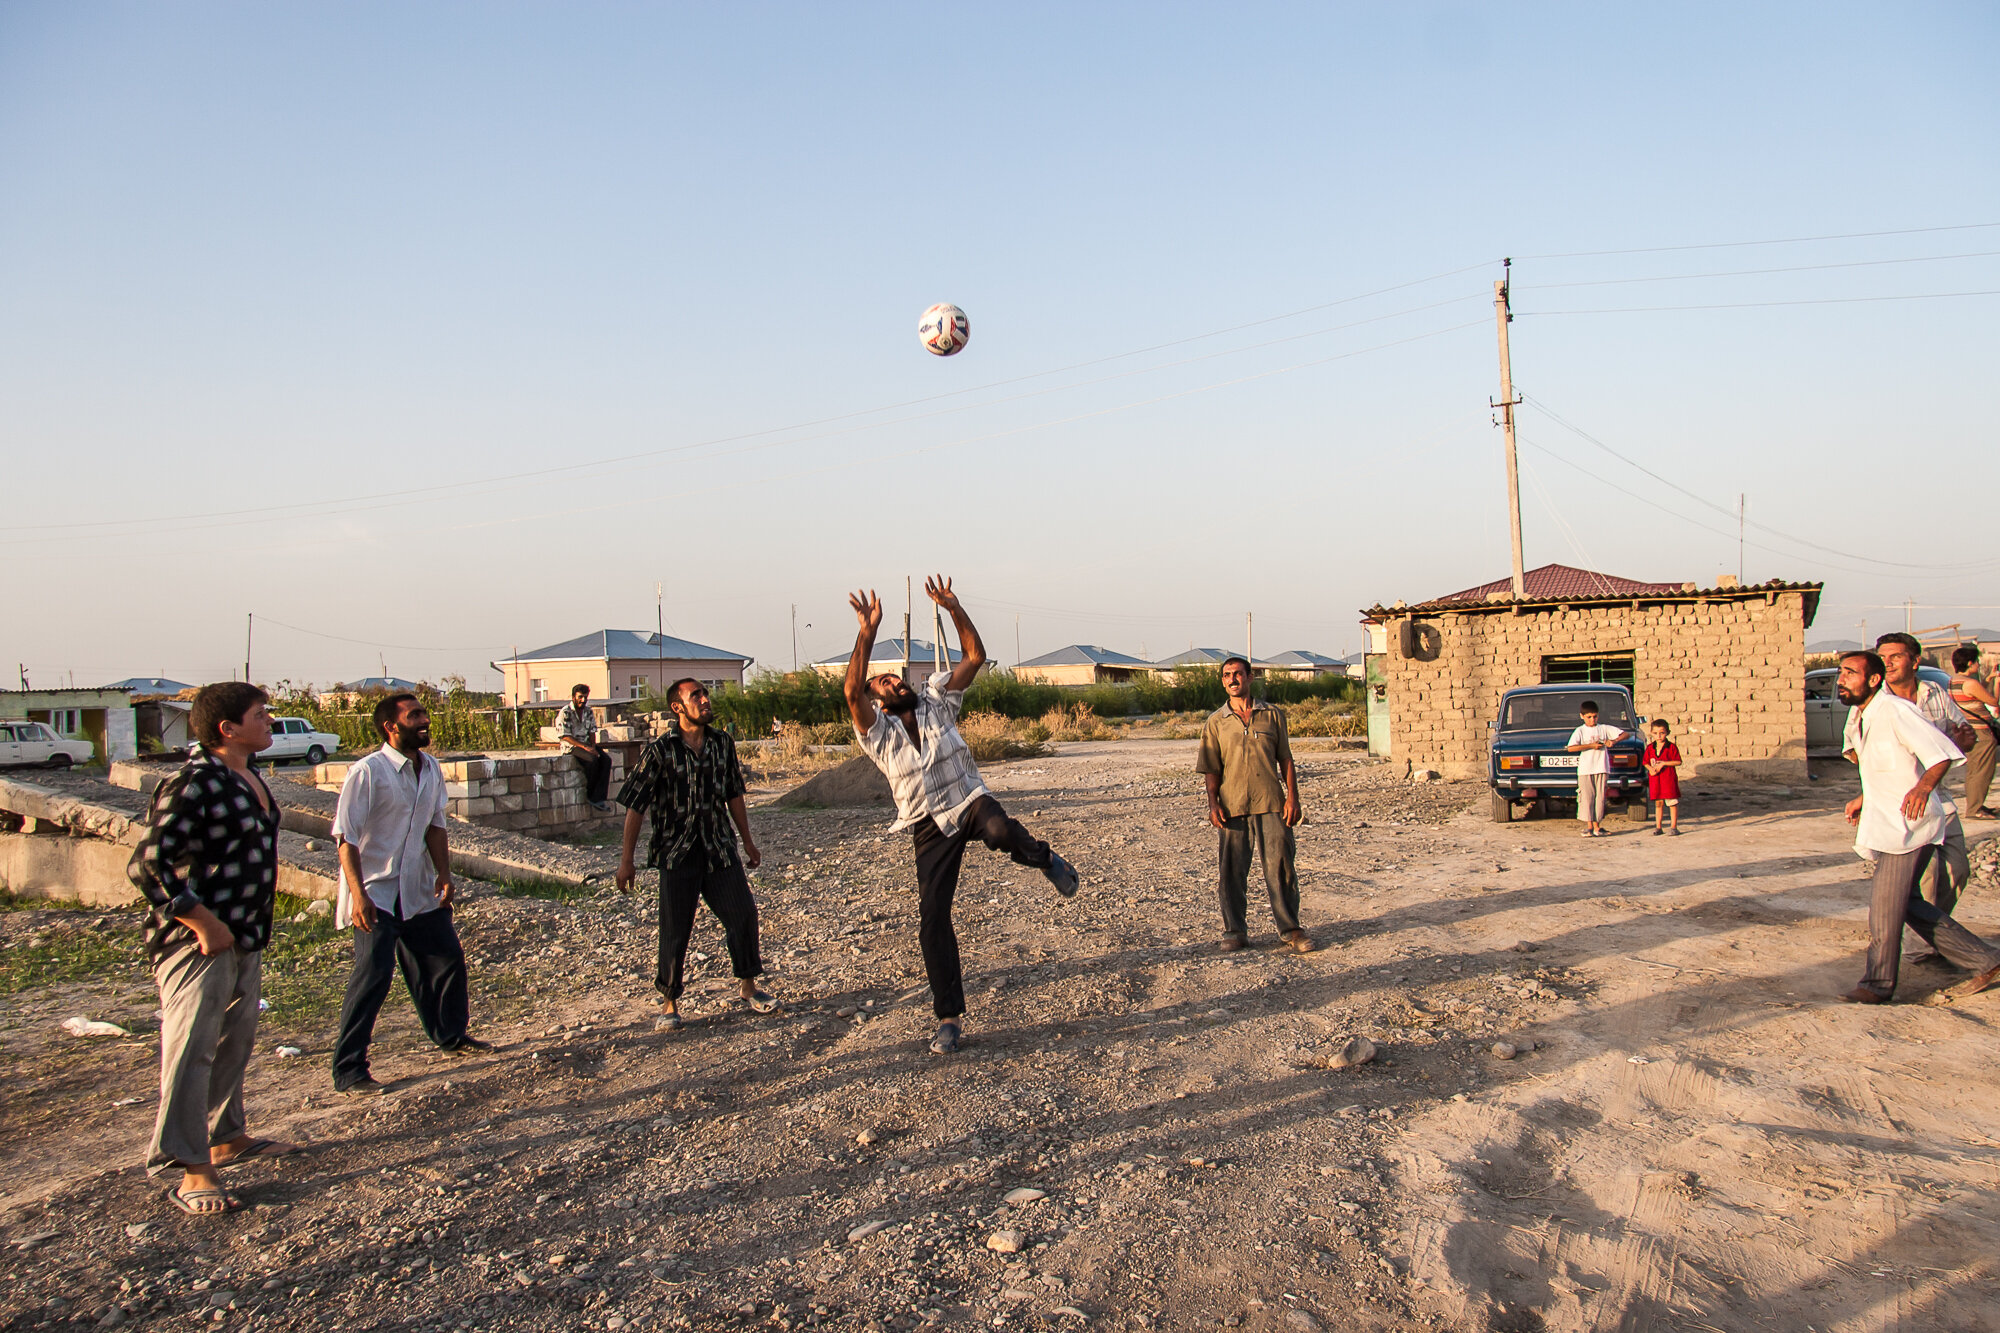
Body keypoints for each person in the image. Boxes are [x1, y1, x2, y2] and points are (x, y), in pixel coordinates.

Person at [844, 576, 1079, 1055]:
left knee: (997, 829)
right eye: (884, 683)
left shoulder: (935, 698)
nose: (895, 683)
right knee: (932, 919)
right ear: (878, 702)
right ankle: (948, 1017)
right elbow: (851, 690)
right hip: (927, 824)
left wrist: (953, 607)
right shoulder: (878, 735)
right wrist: (867, 633)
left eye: (895, 677)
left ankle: (1045, 860)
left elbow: (975, 656)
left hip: (968, 800)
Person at [127, 683, 300, 1214]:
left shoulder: (246, 777)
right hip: (199, 941)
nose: (269, 720)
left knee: (234, 1039)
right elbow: (147, 866)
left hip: (245, 934)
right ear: (227, 728)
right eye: (259, 714)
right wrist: (202, 922)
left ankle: (226, 1135)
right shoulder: (193, 783)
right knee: (193, 1048)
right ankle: (187, 1163)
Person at [331, 693, 489, 1095]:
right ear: (391, 726)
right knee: (373, 976)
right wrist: (358, 894)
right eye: (414, 715)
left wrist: (444, 873)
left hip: (416, 886)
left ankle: (450, 1035)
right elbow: (345, 838)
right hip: (376, 892)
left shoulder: (430, 767)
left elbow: (436, 824)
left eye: (423, 713)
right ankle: (349, 1069)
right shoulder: (368, 772)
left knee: (446, 957)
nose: (425, 720)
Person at [1834, 651, 2000, 1004]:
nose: (1841, 679)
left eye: (1850, 673)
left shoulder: (1896, 711)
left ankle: (1877, 984)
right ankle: (1985, 958)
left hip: (1908, 825)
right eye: (1840, 672)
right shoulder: (1864, 717)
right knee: (1906, 904)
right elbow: (1886, 766)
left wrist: (1924, 787)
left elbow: (1941, 754)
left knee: (1885, 908)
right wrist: (1865, 797)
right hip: (1890, 821)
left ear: (1874, 680)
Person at [614, 677, 777, 1029]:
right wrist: (626, 860)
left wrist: (747, 840)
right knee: (675, 929)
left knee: (743, 915)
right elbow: (635, 806)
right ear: (678, 707)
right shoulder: (660, 750)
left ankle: (749, 987)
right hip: (677, 853)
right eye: (696, 695)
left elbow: (734, 793)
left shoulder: (722, 744)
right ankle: (669, 1002)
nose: (705, 699)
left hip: (718, 848)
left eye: (705, 693)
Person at [1195, 656, 1312, 954]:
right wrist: (1213, 804)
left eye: (1237, 674)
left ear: (1249, 677)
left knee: (1281, 867)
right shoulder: (1215, 722)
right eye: (1226, 675)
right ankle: (1235, 931)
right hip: (1232, 805)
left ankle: (1291, 928)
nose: (1232, 680)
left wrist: (1292, 797)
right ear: (1222, 681)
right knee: (1232, 871)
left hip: (1271, 801)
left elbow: (1285, 758)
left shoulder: (1272, 715)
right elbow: (1211, 768)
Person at [1870, 633, 1974, 917]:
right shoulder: (1874, 701)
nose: (1888, 664)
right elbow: (1854, 749)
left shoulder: (1934, 693)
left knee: (1957, 869)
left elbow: (1959, 735)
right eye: (1882, 658)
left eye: (1896, 657)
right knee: (1924, 878)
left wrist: (1964, 741)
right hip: (1901, 801)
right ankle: (1921, 950)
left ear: (1914, 662)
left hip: (1938, 795)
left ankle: (1938, 934)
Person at [1565, 700, 1629, 838]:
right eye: (1589, 717)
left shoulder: (1604, 728)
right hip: (1586, 769)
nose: (1592, 720)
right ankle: (1589, 826)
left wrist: (1613, 741)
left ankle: (1597, 826)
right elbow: (1571, 748)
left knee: (1599, 798)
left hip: (1601, 767)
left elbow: (1624, 734)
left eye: (1594, 717)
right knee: (1587, 797)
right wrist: (1591, 746)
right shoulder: (1580, 731)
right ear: (1582, 716)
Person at [1950, 644, 1999, 819]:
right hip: (1982, 732)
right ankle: (1975, 809)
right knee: (1983, 772)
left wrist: (1990, 678)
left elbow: (1977, 693)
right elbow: (1992, 701)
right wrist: (1998, 682)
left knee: (1974, 770)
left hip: (1970, 731)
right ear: (1970, 663)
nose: (1978, 665)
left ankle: (1976, 805)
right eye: (1976, 662)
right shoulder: (1970, 683)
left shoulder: (1954, 681)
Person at [556, 684, 614, 812]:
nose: (583, 700)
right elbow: (564, 736)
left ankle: (599, 797)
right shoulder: (565, 712)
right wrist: (585, 748)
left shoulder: (588, 711)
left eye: (585, 697)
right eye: (580, 697)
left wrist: (592, 746)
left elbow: (592, 731)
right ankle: (592, 795)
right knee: (591, 760)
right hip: (572, 746)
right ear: (573, 697)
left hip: (586, 744)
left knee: (606, 760)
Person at [1644, 719, 1683, 836]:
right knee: (1658, 803)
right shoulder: (1650, 748)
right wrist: (1650, 769)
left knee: (1672, 802)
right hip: (1656, 780)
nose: (1659, 736)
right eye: (1655, 733)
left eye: (1662, 733)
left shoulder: (1671, 747)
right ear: (1651, 733)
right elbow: (1645, 761)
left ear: (1667, 733)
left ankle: (1673, 827)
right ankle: (1658, 827)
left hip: (1668, 780)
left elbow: (1678, 761)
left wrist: (1664, 763)